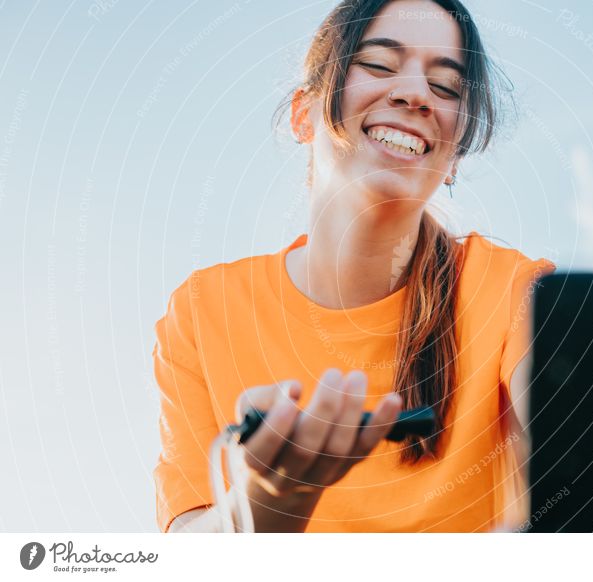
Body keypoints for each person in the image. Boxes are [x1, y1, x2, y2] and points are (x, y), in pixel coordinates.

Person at [152, 0, 556, 533]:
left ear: (455, 155)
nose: (414, 94)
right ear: (304, 113)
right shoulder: (204, 310)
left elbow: (588, 478)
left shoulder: (517, 292)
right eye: (380, 65)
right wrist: (264, 507)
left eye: (446, 88)